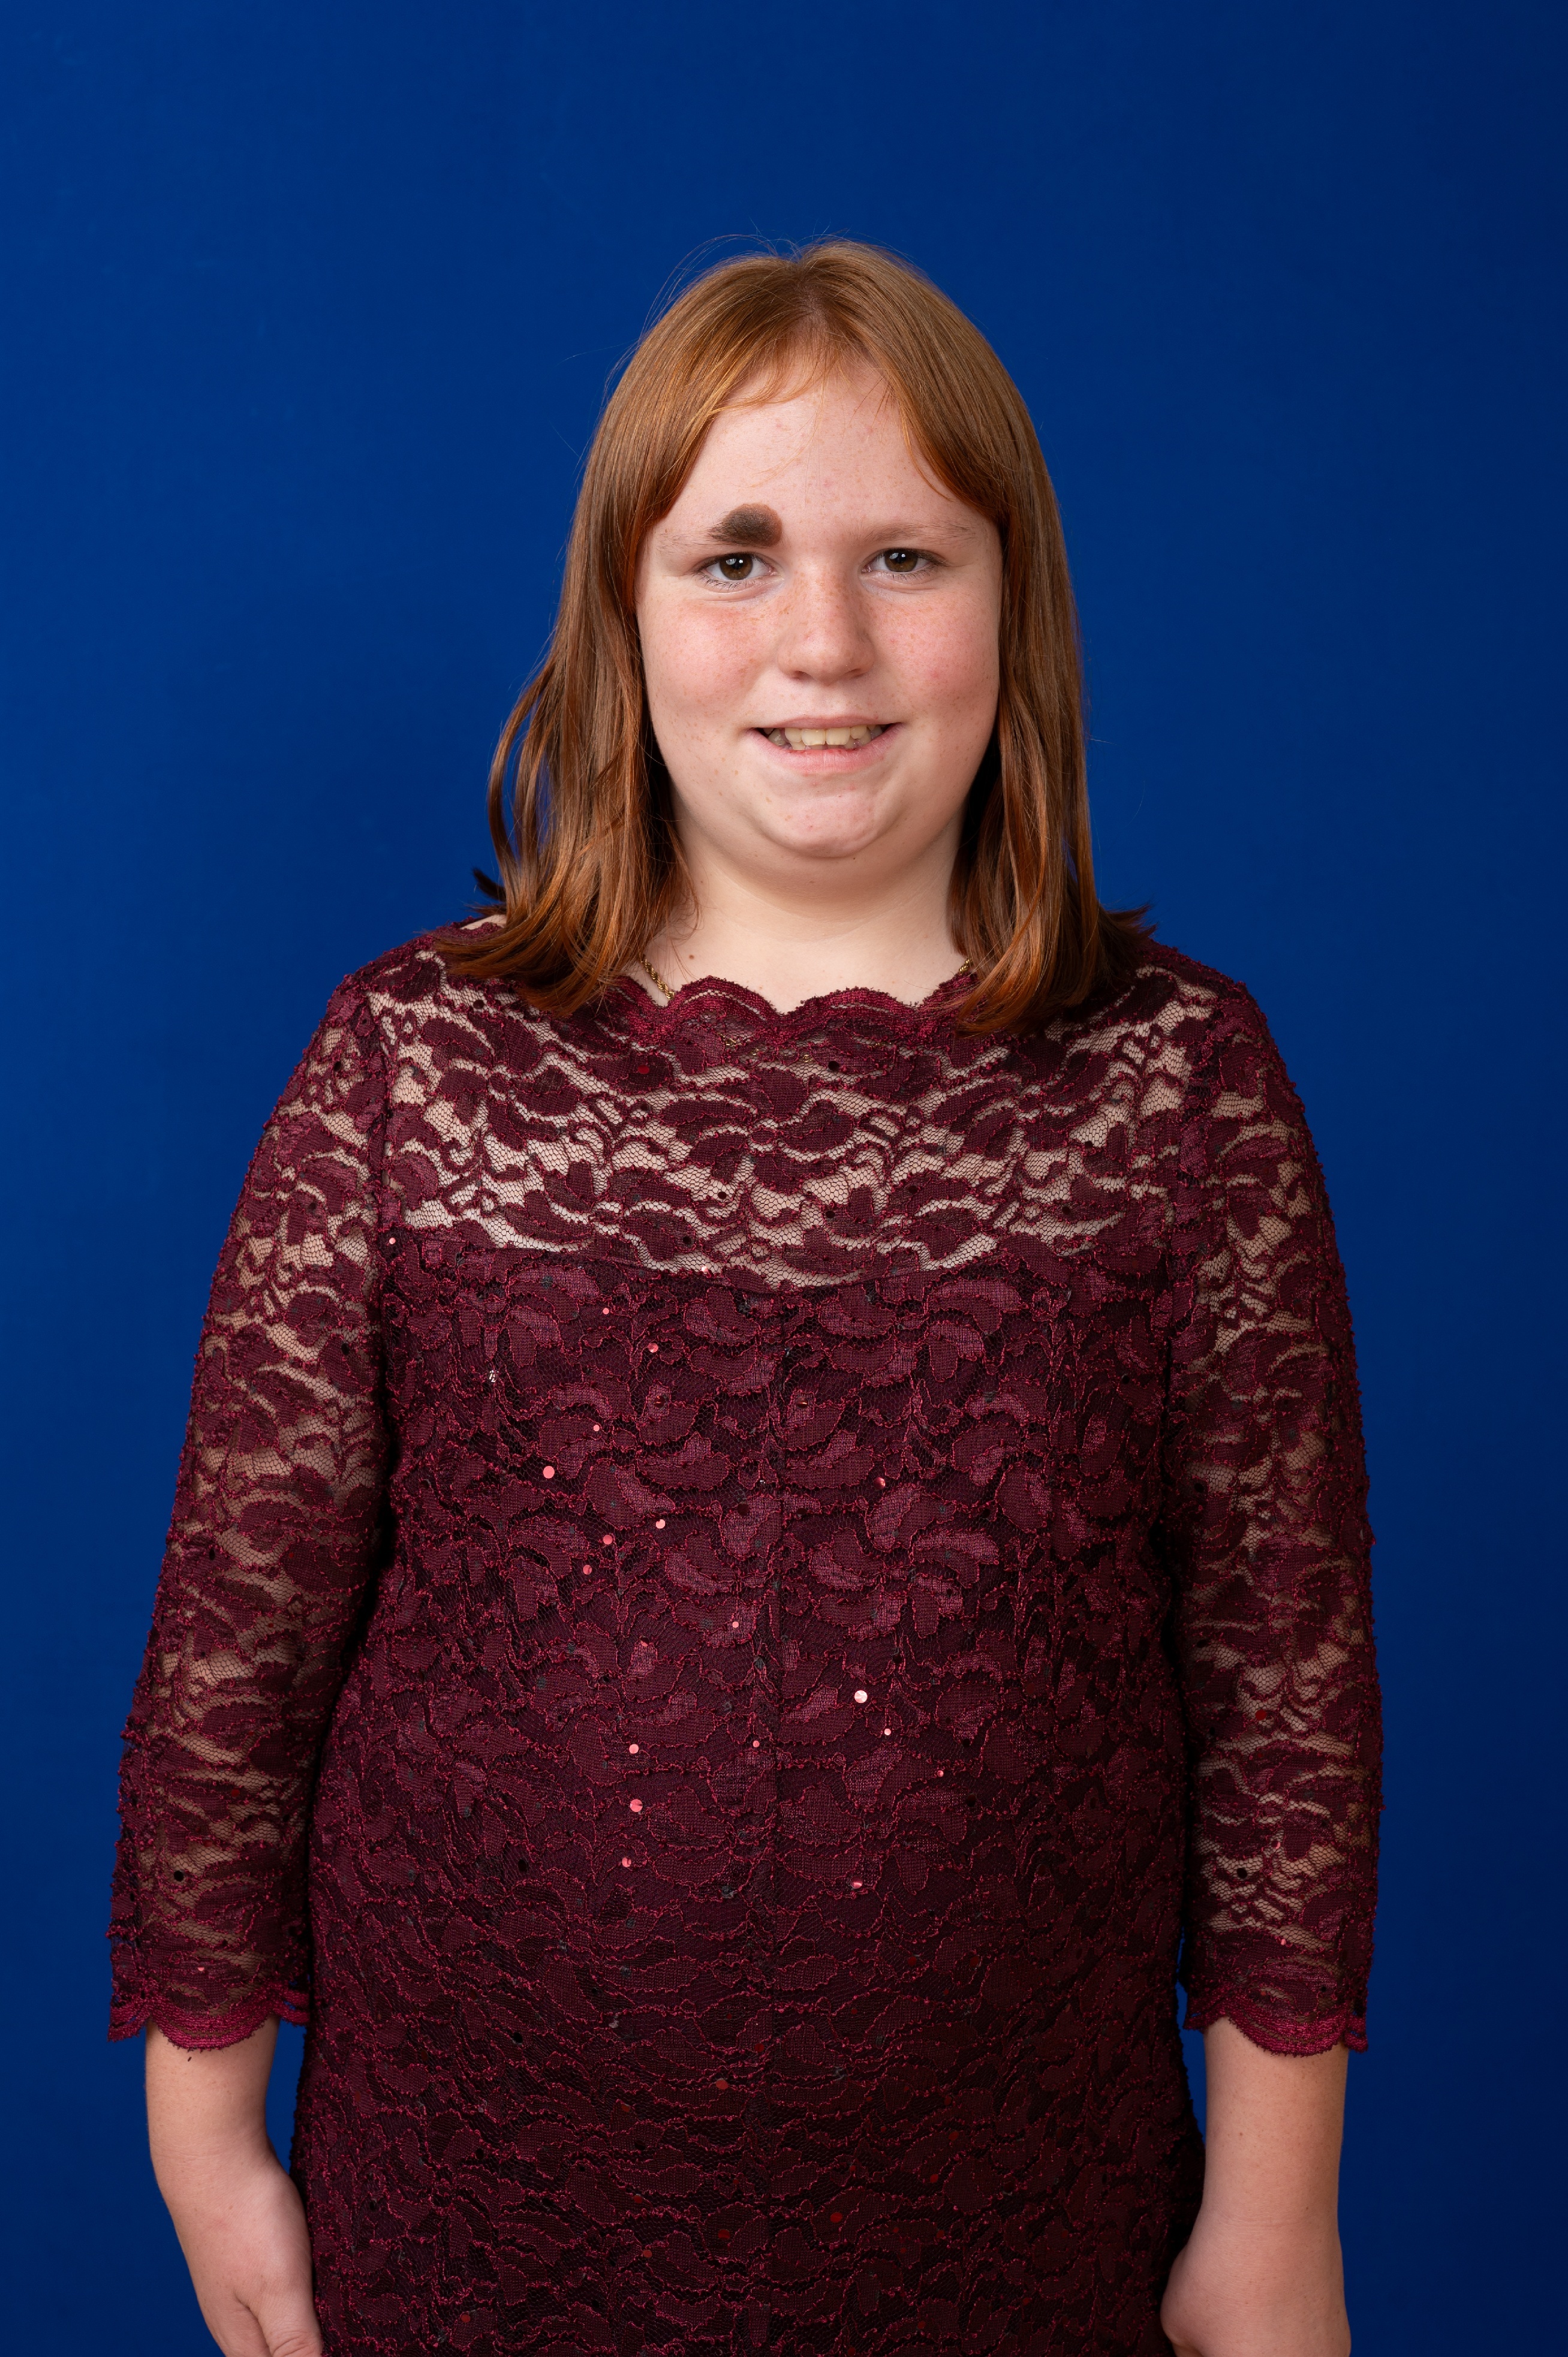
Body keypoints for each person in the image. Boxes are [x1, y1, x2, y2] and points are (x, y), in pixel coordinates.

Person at [112, 242, 1379, 2357]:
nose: (823, 639)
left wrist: (1274, 2218)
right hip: (472, 2206)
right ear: (622, 614)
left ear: (1016, 610)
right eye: (736, 558)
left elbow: (1284, 1701)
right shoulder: (412, 1071)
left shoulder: (1179, 1090)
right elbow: (239, 1643)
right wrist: (203, 2125)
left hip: (1022, 2222)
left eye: (905, 557)